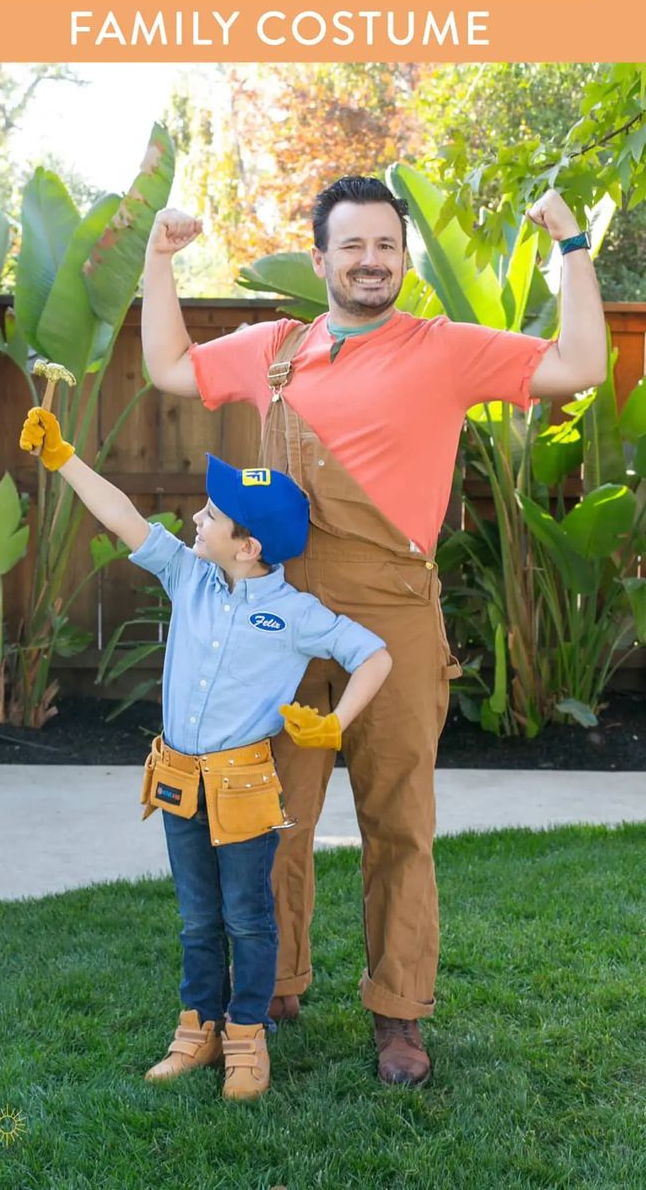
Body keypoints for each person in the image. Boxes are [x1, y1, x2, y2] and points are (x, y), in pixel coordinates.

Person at [139, 177, 608, 1089]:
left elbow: (580, 362)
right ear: (320, 260)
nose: (370, 261)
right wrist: (158, 258)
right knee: (272, 816)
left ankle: (400, 1012)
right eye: (351, 246)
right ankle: (273, 982)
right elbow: (168, 366)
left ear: (404, 258)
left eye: (386, 246)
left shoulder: (445, 349)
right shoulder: (274, 351)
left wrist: (574, 245)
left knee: (400, 823)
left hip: (393, 609)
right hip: (281, 619)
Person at [18, 408, 391, 1100]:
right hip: (177, 782)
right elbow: (126, 517)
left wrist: (338, 721)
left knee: (247, 916)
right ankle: (198, 1029)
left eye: (214, 514)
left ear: (247, 546)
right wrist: (64, 457)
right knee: (196, 916)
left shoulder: (295, 613)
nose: (197, 518)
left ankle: (247, 1035)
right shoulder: (189, 577)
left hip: (244, 789)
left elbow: (374, 652)